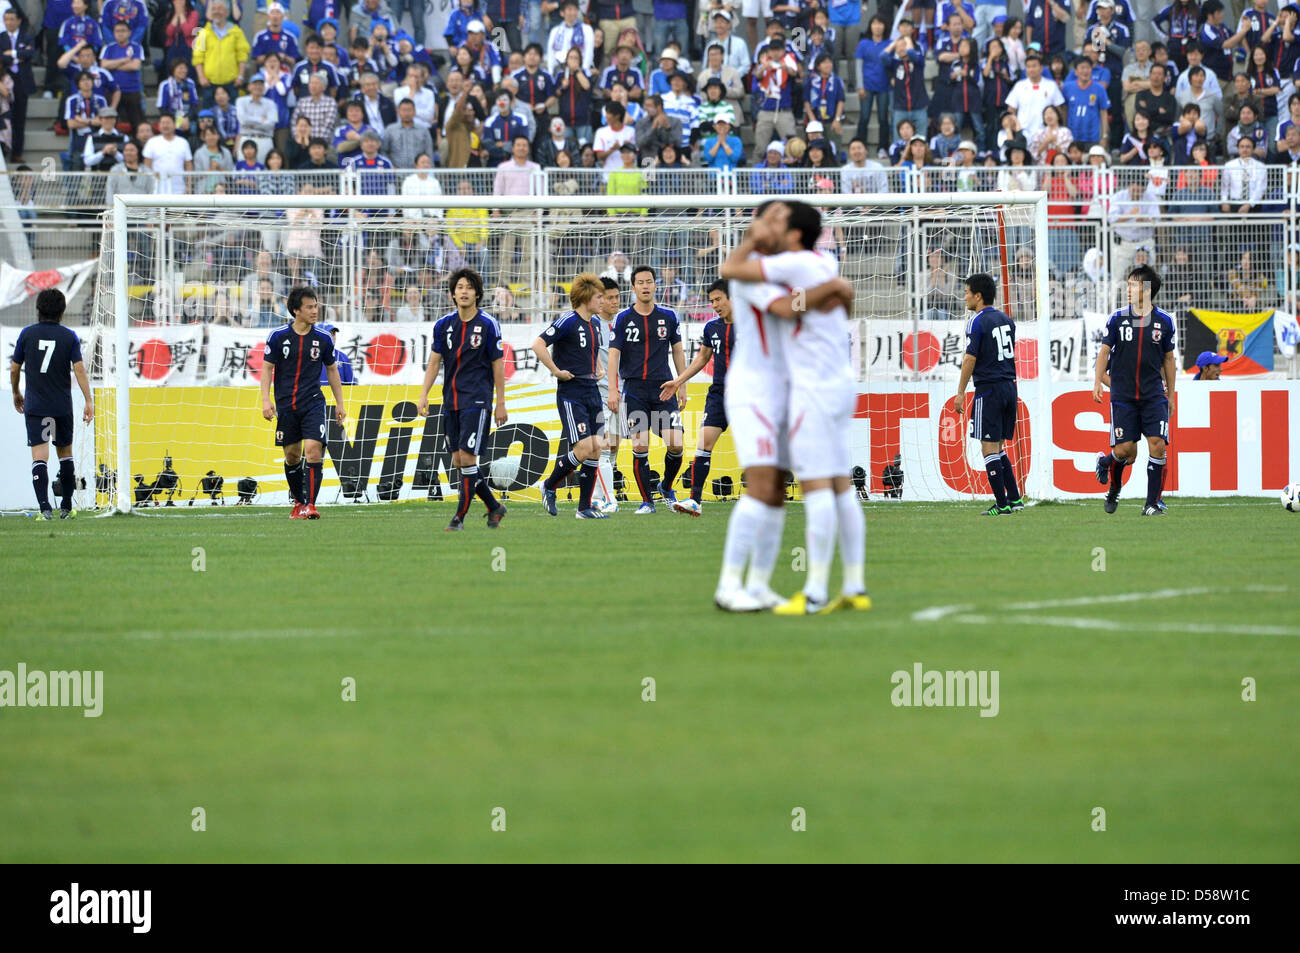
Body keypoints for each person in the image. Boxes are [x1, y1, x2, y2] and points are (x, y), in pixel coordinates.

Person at [719, 200, 868, 615]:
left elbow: (803, 301)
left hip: (793, 390)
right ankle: (730, 585)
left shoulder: (795, 266)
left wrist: (831, 291)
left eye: (778, 220)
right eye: (768, 219)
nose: (772, 226)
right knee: (768, 485)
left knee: (779, 491)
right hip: (757, 392)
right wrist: (835, 288)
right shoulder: (756, 275)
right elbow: (788, 307)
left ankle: (760, 585)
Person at [416, 268, 509, 531]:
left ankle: (458, 518)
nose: (464, 291)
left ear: (477, 293)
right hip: (451, 402)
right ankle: (494, 506)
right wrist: (423, 394)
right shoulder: (443, 325)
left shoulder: (488, 324)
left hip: (477, 401)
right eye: (459, 287)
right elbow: (435, 362)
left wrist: (500, 401)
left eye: (469, 287)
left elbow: (497, 364)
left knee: (467, 460)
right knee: (458, 461)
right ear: (452, 294)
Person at [1093, 264, 1177, 516]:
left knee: (1157, 444)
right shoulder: (1117, 318)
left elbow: (1169, 360)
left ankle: (1151, 504)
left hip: (1153, 396)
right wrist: (1098, 381)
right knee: (1126, 452)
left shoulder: (1164, 321)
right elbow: (1104, 352)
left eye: (1133, 284)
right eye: (1128, 284)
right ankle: (1111, 477)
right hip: (1124, 398)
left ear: (1147, 289)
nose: (1128, 289)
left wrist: (1170, 396)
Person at [260, 287, 348, 520]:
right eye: (309, 307)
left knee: (313, 451)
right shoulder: (278, 336)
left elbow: (331, 370)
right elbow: (267, 367)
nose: (314, 310)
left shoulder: (323, 338)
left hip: (313, 404)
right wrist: (266, 400)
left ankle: (311, 504)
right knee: (292, 455)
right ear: (296, 310)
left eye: (316, 306)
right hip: (287, 405)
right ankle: (299, 502)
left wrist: (340, 403)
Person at [606, 264, 687, 514]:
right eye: (640, 282)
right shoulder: (623, 318)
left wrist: (681, 383)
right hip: (635, 391)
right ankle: (646, 502)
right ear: (633, 288)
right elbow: (613, 355)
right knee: (640, 446)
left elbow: (677, 350)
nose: (645, 286)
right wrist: (612, 389)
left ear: (655, 285)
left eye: (649, 281)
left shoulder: (669, 317)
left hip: (664, 389)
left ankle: (666, 486)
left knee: (676, 444)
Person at [9, 290, 93, 519]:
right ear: (62, 311)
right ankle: (66, 506)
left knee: (39, 457)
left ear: (38, 309)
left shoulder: (27, 334)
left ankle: (45, 508)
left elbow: (15, 368)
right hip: (61, 406)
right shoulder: (70, 336)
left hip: (36, 406)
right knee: (65, 454)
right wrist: (88, 400)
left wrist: (16, 391)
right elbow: (79, 369)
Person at [532, 273, 610, 519]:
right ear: (586, 298)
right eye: (599, 296)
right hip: (571, 392)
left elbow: (591, 349)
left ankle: (584, 508)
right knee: (585, 448)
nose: (602, 301)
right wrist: (556, 371)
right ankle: (549, 485)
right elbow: (538, 344)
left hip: (592, 391)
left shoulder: (595, 323)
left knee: (597, 449)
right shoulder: (567, 320)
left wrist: (598, 367)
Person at [655, 277, 733, 517]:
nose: (715, 305)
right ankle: (695, 500)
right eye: (712, 301)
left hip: (749, 394)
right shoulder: (712, 328)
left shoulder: (754, 325)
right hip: (719, 394)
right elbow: (702, 358)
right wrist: (679, 381)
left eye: (719, 299)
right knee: (704, 444)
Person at [950, 273, 1024, 515]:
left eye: (967, 292)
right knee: (999, 446)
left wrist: (960, 392)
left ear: (978, 296)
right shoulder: (1007, 320)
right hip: (1009, 388)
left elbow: (970, 358)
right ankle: (1014, 499)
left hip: (989, 389)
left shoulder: (977, 321)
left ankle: (1002, 506)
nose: (965, 297)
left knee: (988, 448)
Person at [0, 8, 34, 161]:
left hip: (22, 82)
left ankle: (17, 153)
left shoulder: (27, 37)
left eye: (12, 19)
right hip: (4, 80)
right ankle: (4, 149)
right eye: (6, 19)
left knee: (19, 119)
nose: (9, 22)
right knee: (5, 117)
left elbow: (31, 53)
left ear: (19, 20)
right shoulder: (0, 38)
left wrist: (11, 54)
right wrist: (19, 55)